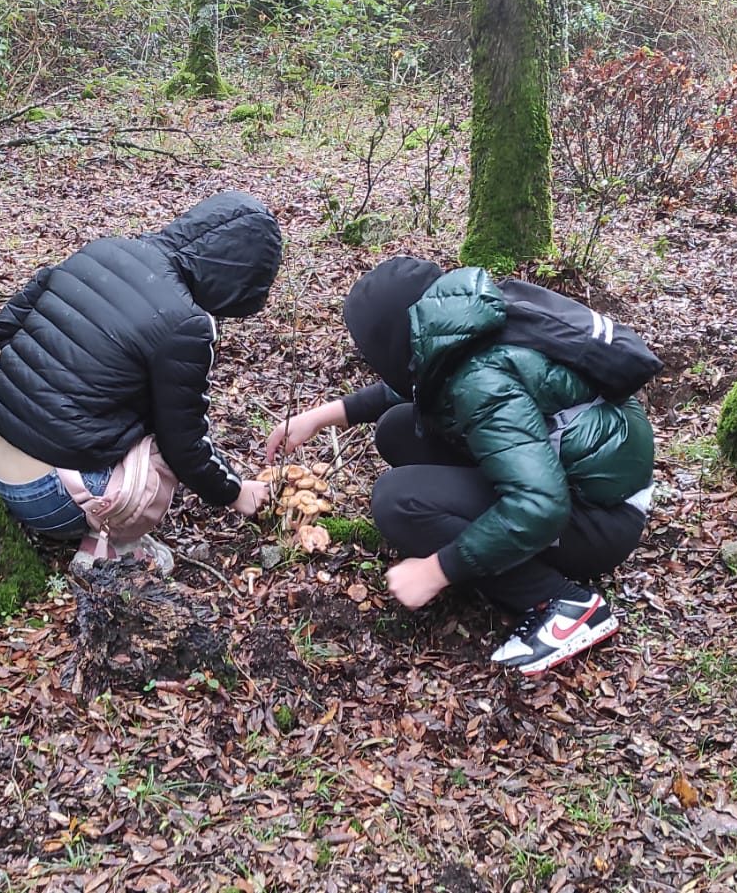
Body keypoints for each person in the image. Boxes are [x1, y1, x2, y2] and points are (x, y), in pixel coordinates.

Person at [265, 257, 656, 674]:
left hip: (598, 521)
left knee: (398, 501)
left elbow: (540, 506)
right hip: (575, 480)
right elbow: (417, 388)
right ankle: (497, 559)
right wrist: (319, 417)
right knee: (398, 429)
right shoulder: (464, 323)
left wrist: (437, 570)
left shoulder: (480, 378)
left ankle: (563, 604)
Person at [0, 191, 281, 571]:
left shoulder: (102, 250)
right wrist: (235, 492)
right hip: (45, 498)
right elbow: (184, 445)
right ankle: (115, 546)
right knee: (157, 446)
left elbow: (4, 327)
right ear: (237, 277)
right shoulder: (186, 324)